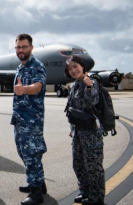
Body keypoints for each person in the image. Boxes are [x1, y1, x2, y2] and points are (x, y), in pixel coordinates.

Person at [11, 34, 47, 205]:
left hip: (32, 120)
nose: (21, 50)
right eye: (18, 47)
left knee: (32, 154)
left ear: (31, 48)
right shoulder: (21, 67)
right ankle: (40, 183)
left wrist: (24, 89)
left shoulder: (37, 66)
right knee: (24, 152)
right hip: (20, 118)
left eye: (24, 47)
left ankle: (36, 193)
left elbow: (37, 87)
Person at [65, 55, 105, 205]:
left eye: (76, 66)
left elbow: (91, 103)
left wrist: (88, 87)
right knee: (79, 164)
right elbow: (75, 110)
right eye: (70, 69)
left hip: (91, 133)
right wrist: (72, 128)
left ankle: (96, 198)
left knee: (93, 167)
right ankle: (85, 192)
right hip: (78, 133)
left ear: (82, 67)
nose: (73, 70)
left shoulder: (91, 82)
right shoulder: (74, 85)